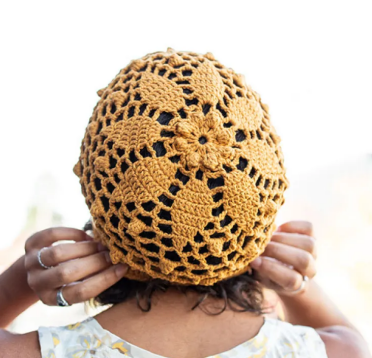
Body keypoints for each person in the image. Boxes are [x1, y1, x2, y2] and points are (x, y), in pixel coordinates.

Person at [0, 49, 370, 358]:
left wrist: (20, 281)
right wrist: (294, 281)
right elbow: (347, 337)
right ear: (255, 207)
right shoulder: (315, 351)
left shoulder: (46, 352)